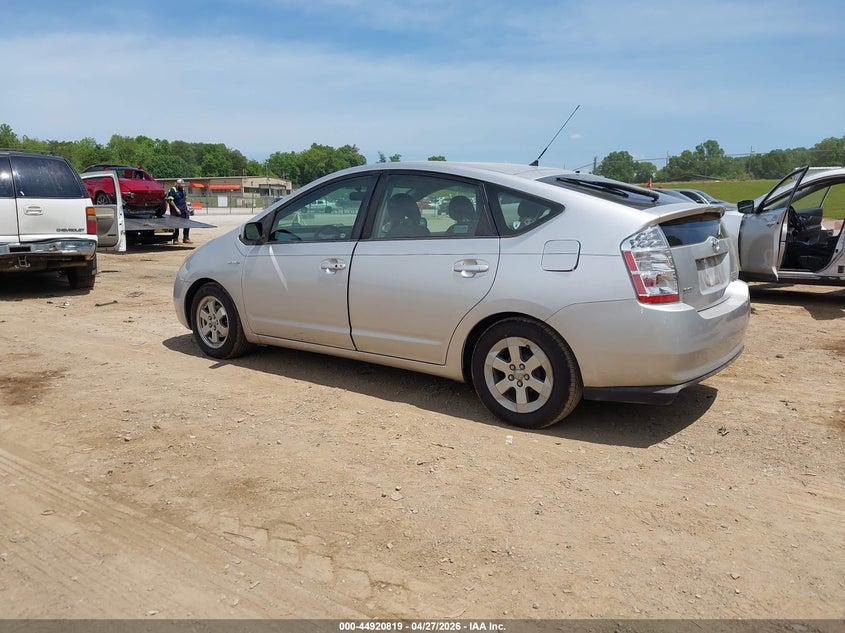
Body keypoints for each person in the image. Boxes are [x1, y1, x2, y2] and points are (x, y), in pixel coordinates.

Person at [166, 178, 191, 244]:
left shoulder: (183, 190)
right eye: (181, 185)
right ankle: (175, 239)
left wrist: (187, 208)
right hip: (176, 211)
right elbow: (170, 200)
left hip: (184, 210)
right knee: (176, 225)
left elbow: (185, 200)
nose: (182, 186)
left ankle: (186, 238)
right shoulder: (172, 190)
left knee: (187, 224)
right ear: (177, 184)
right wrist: (176, 209)